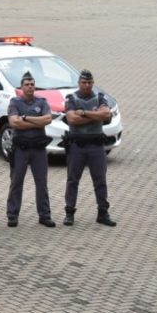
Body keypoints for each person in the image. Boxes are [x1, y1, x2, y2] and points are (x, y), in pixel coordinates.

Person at [63, 69, 116, 227]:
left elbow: (106, 115)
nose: (87, 85)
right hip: (77, 146)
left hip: (96, 146)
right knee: (73, 180)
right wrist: (95, 115)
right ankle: (69, 213)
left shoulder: (99, 97)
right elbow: (72, 119)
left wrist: (84, 113)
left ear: (93, 83)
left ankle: (103, 213)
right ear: (79, 83)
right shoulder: (71, 98)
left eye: (89, 82)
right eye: (84, 82)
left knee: (100, 181)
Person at [6, 71, 56, 227]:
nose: (30, 87)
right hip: (21, 149)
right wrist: (37, 122)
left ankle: (44, 215)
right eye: (27, 85)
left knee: (41, 183)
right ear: (21, 87)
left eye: (32, 84)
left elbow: (48, 119)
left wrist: (26, 118)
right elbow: (14, 123)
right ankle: (12, 215)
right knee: (16, 182)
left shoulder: (42, 102)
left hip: (38, 149)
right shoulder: (15, 102)